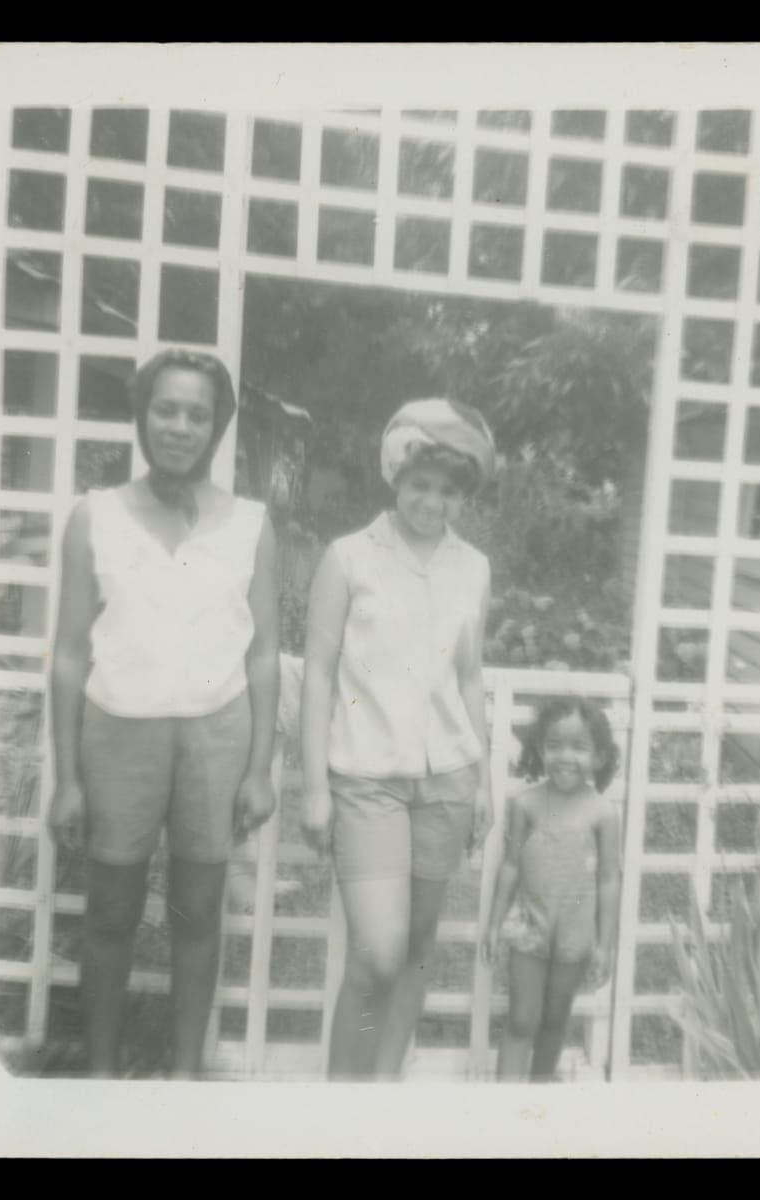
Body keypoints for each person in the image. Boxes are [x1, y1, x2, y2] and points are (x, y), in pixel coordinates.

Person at [47, 347, 280, 1079]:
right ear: (143, 418)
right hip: (119, 732)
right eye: (166, 410)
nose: (180, 426)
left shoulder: (250, 524)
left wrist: (259, 769)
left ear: (217, 427)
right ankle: (102, 1074)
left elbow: (266, 655)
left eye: (197, 414)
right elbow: (69, 654)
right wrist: (68, 779)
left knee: (197, 911)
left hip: (217, 734)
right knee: (111, 909)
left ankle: (184, 1077)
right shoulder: (96, 517)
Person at [300, 397, 497, 1080]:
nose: (432, 501)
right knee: (377, 950)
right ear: (395, 477)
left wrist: (487, 783)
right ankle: (340, 1102)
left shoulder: (472, 567)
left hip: (447, 779)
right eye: (421, 484)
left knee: (415, 943)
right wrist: (315, 788)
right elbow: (319, 676)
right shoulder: (349, 557)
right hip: (367, 779)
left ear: (462, 496)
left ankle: (382, 1095)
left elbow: (469, 679)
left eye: (448, 490)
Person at [482, 697, 622, 1081]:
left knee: (555, 1020)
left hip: (575, 935)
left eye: (579, 747)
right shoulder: (526, 804)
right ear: (539, 749)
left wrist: (605, 944)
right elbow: (510, 866)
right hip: (529, 926)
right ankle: (507, 1106)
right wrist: (494, 925)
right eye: (554, 745)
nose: (565, 756)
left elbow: (609, 879)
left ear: (598, 756)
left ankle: (540, 1101)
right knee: (522, 1019)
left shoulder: (602, 814)